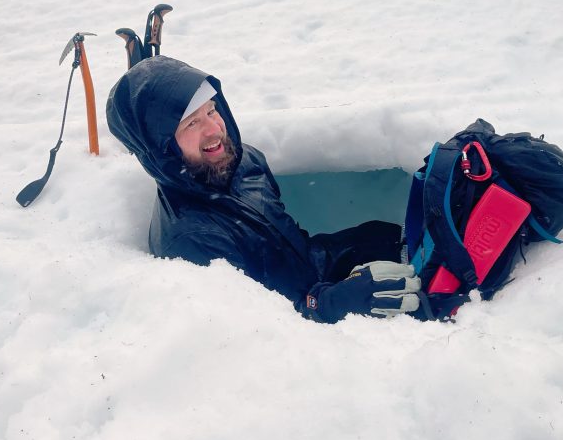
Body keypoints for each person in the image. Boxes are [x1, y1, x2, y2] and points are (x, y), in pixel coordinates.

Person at [105, 55, 421, 323]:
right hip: (295, 313)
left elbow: (285, 239)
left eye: (211, 110)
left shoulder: (241, 160)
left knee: (389, 236)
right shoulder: (193, 242)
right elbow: (260, 334)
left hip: (308, 267)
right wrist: (332, 302)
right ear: (161, 148)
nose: (214, 128)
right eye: (191, 123)